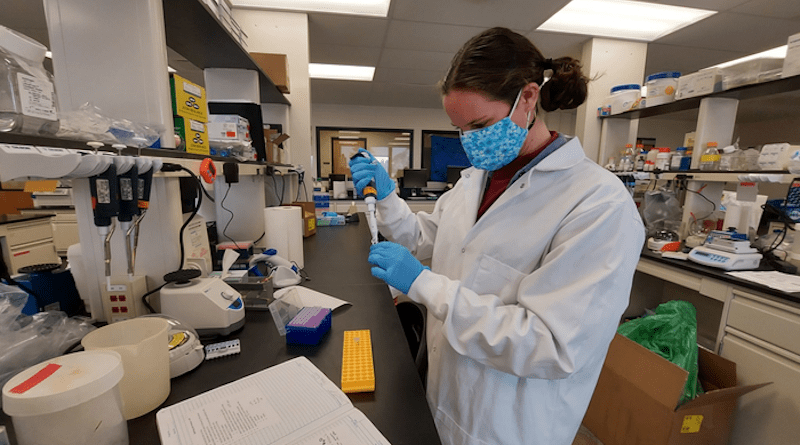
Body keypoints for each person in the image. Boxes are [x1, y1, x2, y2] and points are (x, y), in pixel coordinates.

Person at [349, 27, 644, 445]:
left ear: (527, 98)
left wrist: (424, 283)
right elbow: (424, 237)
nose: (468, 140)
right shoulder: (475, 180)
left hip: (508, 425)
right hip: (443, 395)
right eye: (459, 128)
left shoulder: (598, 204)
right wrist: (390, 196)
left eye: (479, 124)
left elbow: (551, 345)